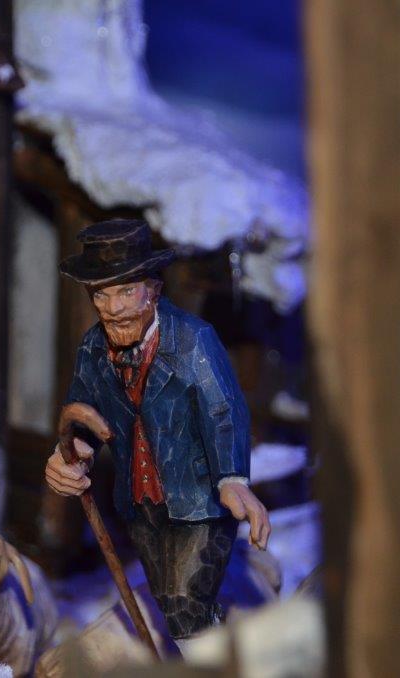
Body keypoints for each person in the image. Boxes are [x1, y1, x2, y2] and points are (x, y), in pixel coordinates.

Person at [44, 218, 270, 644]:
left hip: (200, 501)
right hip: (140, 504)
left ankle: (207, 665)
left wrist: (232, 478)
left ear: (154, 290)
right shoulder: (93, 348)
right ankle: (217, 654)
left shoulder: (193, 340)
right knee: (170, 600)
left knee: (186, 603)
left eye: (126, 291)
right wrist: (71, 453)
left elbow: (223, 409)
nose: (113, 308)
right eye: (101, 294)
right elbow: (85, 413)